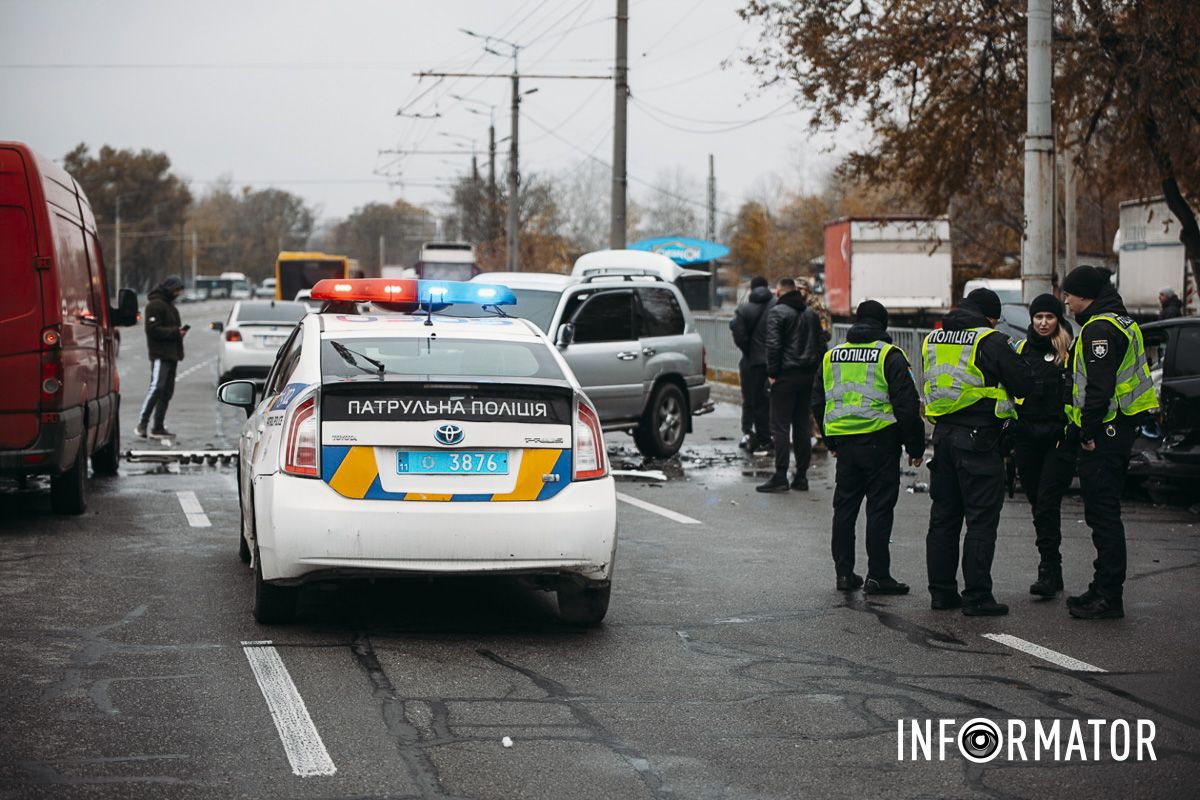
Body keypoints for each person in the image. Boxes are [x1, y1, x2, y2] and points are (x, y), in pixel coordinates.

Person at [922, 288, 1034, 616]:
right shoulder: (989, 340)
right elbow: (1023, 383)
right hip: (979, 439)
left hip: (943, 437)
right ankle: (977, 597)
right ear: (989, 317)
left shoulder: (934, 339)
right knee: (981, 520)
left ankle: (941, 593)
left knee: (944, 518)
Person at [1061, 265, 1159, 619]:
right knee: (1103, 515)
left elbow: (1098, 390)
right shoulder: (1120, 321)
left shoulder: (1099, 329)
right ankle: (1102, 587)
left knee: (1103, 516)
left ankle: (1108, 596)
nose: (1066, 301)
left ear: (1086, 295)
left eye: (1069, 294)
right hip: (1118, 429)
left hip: (1106, 433)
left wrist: (1086, 431)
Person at [811, 300, 925, 593]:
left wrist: (831, 440)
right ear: (883, 325)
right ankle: (878, 576)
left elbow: (818, 401)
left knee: (845, 509)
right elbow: (907, 405)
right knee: (879, 509)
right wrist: (915, 446)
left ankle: (844, 574)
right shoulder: (890, 355)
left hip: (846, 446)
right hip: (880, 442)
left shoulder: (832, 357)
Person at [1010, 294, 1076, 598]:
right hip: (1027, 437)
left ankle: (1049, 569)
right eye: (1039, 317)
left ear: (1058, 320)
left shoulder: (1070, 351)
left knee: (1048, 502)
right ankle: (1052, 567)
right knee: (1038, 504)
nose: (1044, 323)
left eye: (1050, 317)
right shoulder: (1021, 350)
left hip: (1058, 439)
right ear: (1032, 320)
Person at [758, 277, 823, 492]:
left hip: (785, 376)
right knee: (802, 425)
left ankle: (780, 475)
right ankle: (801, 477)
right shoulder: (810, 314)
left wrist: (772, 373)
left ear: (779, 292)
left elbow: (773, 345)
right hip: (807, 376)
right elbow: (820, 345)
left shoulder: (777, 313)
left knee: (780, 426)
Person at [137, 276, 187, 439]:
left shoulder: (171, 308)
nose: (178, 293)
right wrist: (174, 332)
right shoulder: (155, 305)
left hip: (172, 354)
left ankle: (158, 426)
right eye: (176, 290)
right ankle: (142, 424)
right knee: (156, 388)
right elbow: (152, 329)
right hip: (160, 355)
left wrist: (179, 334)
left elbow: (171, 329)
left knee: (166, 392)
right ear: (169, 289)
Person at [730, 276, 775, 451]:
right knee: (769, 400)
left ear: (752, 288)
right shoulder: (777, 306)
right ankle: (768, 435)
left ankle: (748, 433)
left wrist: (749, 351)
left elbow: (739, 336)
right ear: (766, 287)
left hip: (751, 362)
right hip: (773, 361)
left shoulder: (744, 308)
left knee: (750, 399)